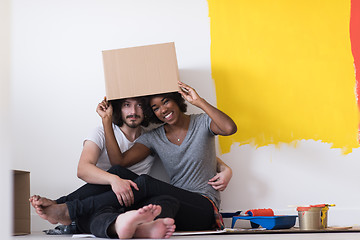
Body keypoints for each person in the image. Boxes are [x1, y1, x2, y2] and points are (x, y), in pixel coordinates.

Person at [30, 92, 233, 238]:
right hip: (174, 200)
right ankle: (61, 203)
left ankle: (68, 211)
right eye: (155, 107)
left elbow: (229, 128)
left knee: (144, 182)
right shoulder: (155, 137)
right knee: (119, 173)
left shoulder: (203, 122)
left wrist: (199, 101)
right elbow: (118, 162)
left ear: (177, 100)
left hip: (205, 205)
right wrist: (107, 122)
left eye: (166, 102)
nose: (163, 110)